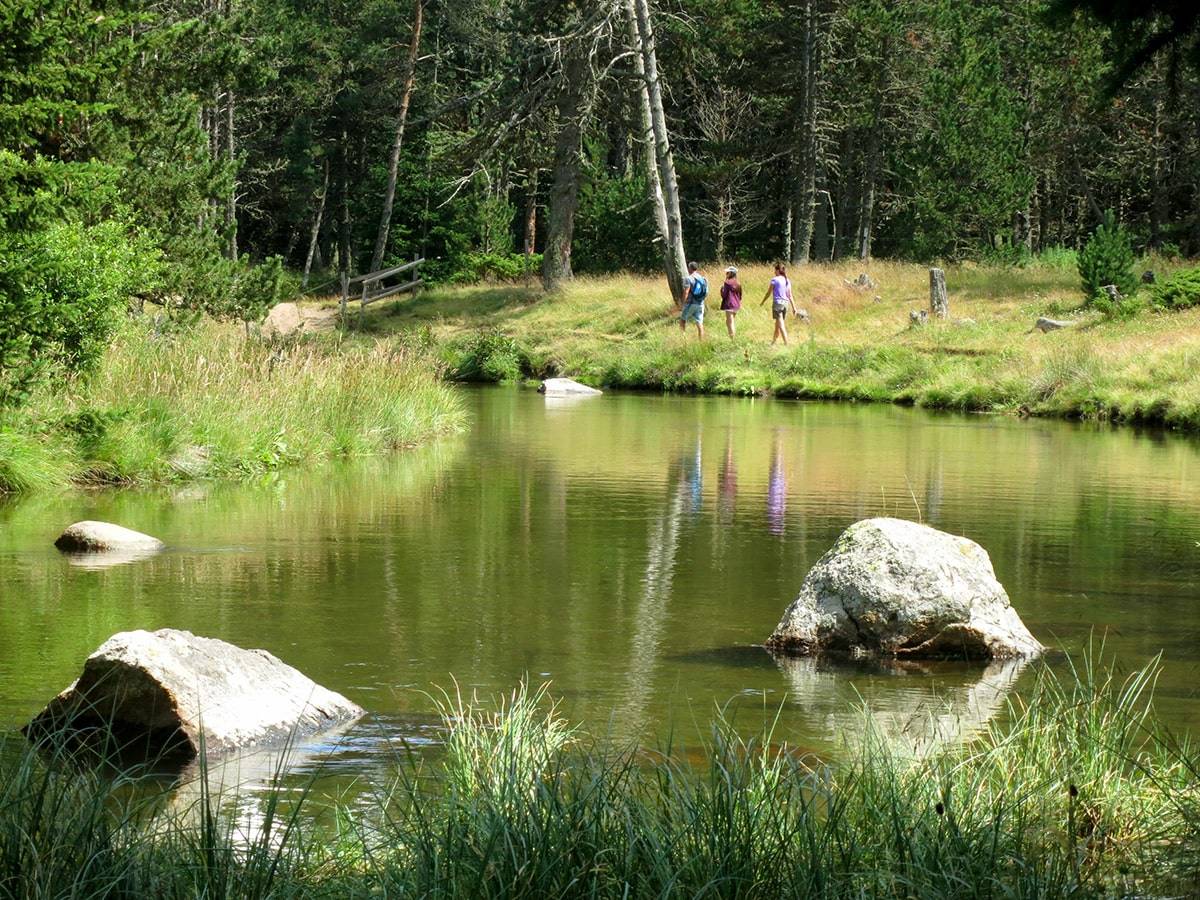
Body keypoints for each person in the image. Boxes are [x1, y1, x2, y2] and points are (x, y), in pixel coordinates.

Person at [760, 262, 800, 345]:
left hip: (778, 304)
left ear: (778, 270)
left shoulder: (775, 280)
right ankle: (773, 342)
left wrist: (763, 301)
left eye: (775, 270)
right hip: (786, 304)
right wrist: (794, 308)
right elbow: (790, 295)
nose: (774, 272)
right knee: (777, 325)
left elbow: (768, 293)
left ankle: (786, 343)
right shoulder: (787, 281)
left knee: (781, 325)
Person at [678, 261, 707, 339]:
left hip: (690, 303)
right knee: (699, 323)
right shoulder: (703, 278)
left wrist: (683, 303)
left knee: (682, 321)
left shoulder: (688, 279)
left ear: (690, 268)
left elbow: (686, 291)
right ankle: (701, 341)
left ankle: (683, 340)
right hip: (700, 303)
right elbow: (706, 291)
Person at [719, 266, 742, 338]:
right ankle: (732, 337)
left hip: (729, 305)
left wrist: (721, 290)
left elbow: (724, 295)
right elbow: (740, 295)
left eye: (727, 272)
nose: (726, 273)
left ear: (731, 273)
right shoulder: (738, 283)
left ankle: (732, 339)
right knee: (730, 322)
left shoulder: (727, 282)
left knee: (730, 323)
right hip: (736, 305)